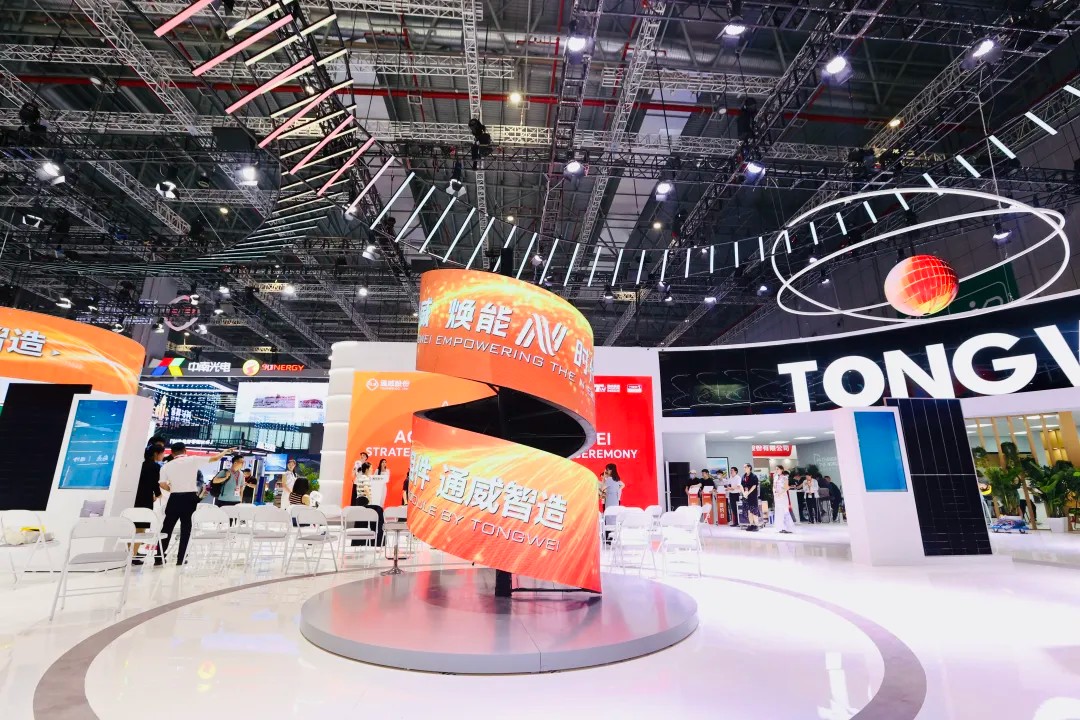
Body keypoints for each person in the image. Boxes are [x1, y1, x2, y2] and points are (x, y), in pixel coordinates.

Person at [159, 444, 235, 566]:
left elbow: (162, 484)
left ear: (172, 453)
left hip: (174, 498)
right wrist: (225, 451)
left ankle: (159, 558)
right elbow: (215, 458)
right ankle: (181, 558)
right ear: (185, 450)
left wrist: (173, 489)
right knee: (186, 529)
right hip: (189, 498)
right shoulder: (193, 459)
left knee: (167, 527)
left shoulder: (166, 466)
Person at [131, 444, 164, 564]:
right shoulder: (155, 466)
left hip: (135, 498)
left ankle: (131, 553)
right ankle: (132, 556)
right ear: (156, 454)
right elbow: (155, 483)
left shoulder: (140, 465)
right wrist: (158, 494)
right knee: (140, 528)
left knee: (133, 527)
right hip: (145, 499)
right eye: (162, 453)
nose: (163, 456)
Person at [351, 461, 385, 546]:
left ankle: (359, 541)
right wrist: (370, 499)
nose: (372, 469)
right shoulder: (365, 478)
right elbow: (366, 488)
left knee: (361, 520)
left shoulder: (360, 478)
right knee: (376, 513)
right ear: (366, 469)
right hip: (364, 500)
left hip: (359, 500)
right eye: (371, 468)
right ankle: (376, 540)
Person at [773, 465, 795, 534]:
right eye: (776, 469)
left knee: (785, 511)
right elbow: (774, 486)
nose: (776, 470)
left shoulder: (785, 477)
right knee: (779, 511)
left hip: (783, 496)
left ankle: (787, 528)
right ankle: (781, 527)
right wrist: (775, 492)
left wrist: (780, 493)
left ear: (782, 470)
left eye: (778, 469)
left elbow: (787, 487)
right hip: (777, 497)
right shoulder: (775, 477)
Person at [741, 463, 760, 531]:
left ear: (749, 467)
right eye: (744, 467)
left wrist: (748, 493)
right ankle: (751, 524)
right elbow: (741, 485)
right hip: (746, 496)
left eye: (745, 467)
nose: (744, 468)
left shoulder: (754, 476)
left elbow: (754, 486)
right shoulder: (743, 476)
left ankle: (756, 525)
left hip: (752, 496)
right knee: (748, 511)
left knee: (754, 511)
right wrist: (744, 493)